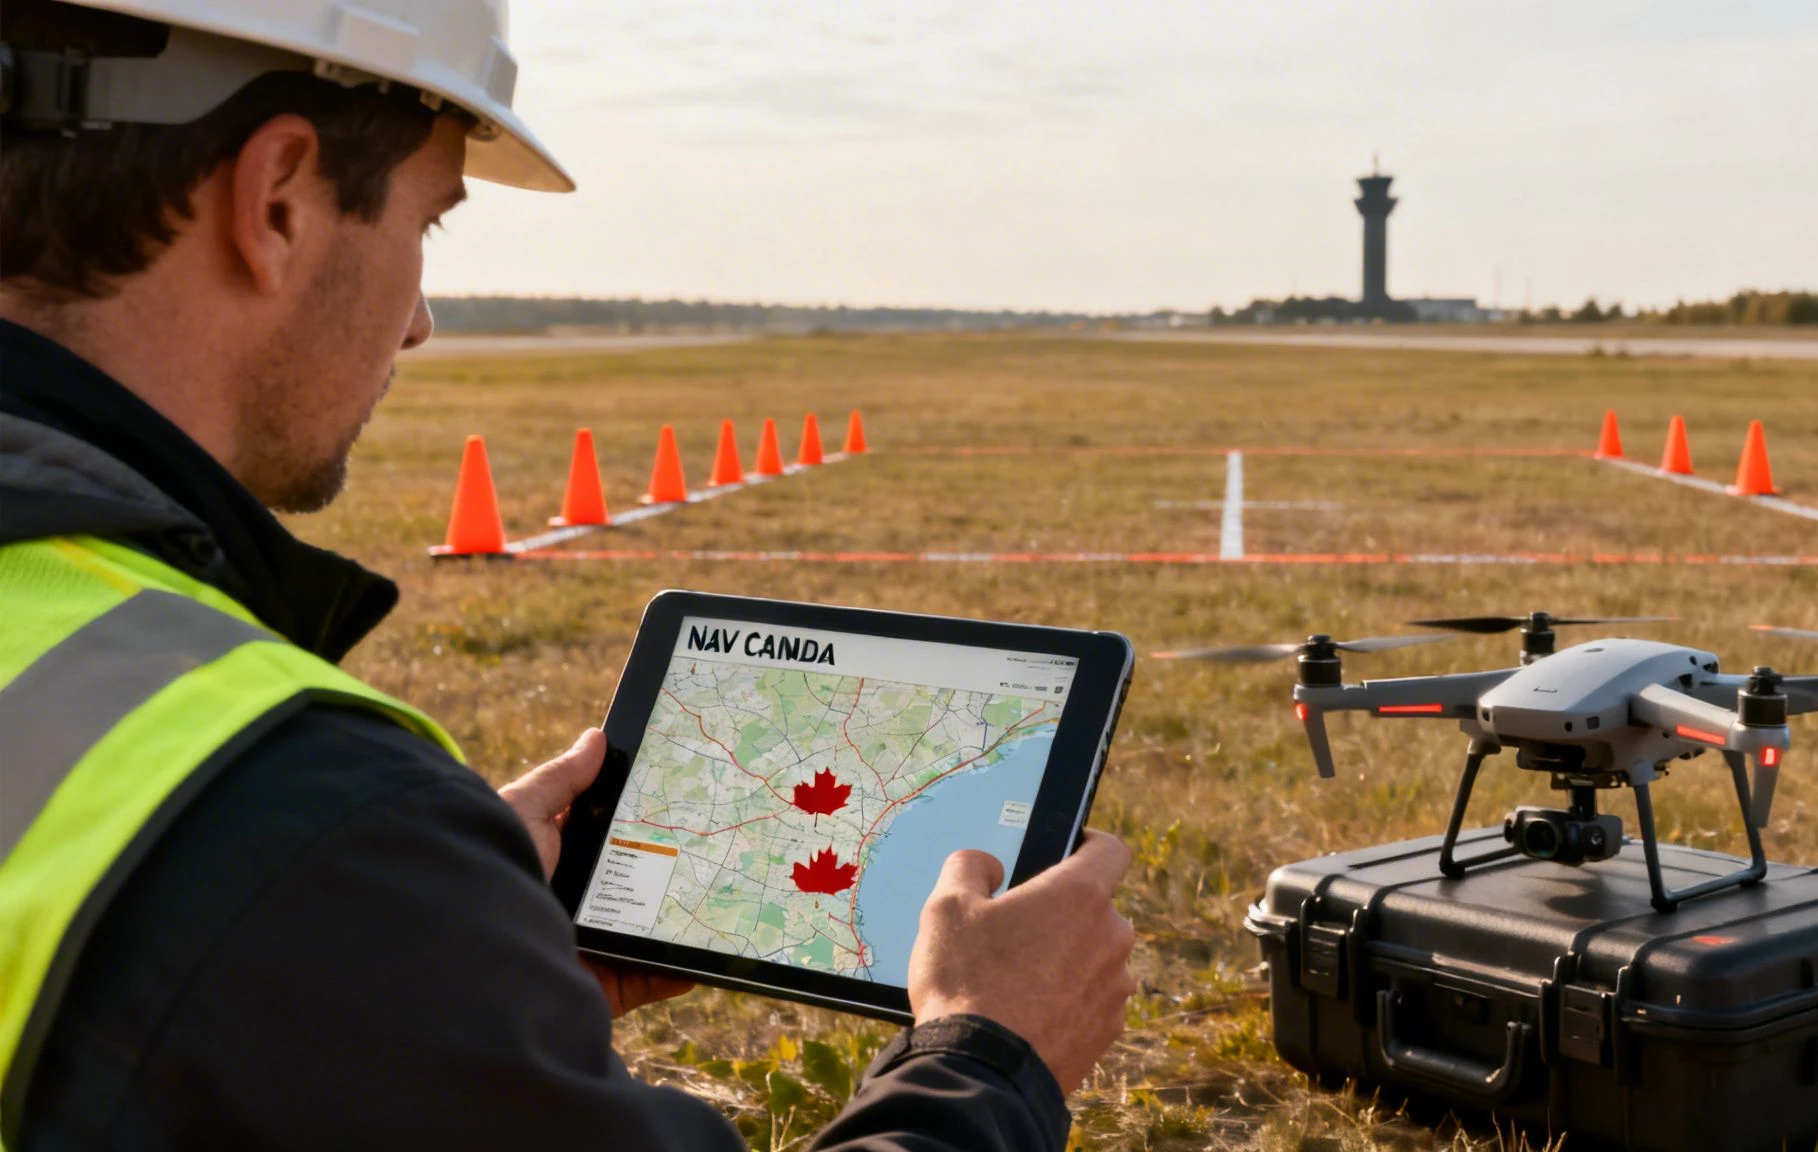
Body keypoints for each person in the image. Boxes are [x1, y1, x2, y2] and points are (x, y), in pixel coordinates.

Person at [0, 1, 1139, 1147]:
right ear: (281, 197)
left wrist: (427, 966)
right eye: (428, 225)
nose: (420, 322)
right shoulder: (292, 828)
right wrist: (987, 1054)